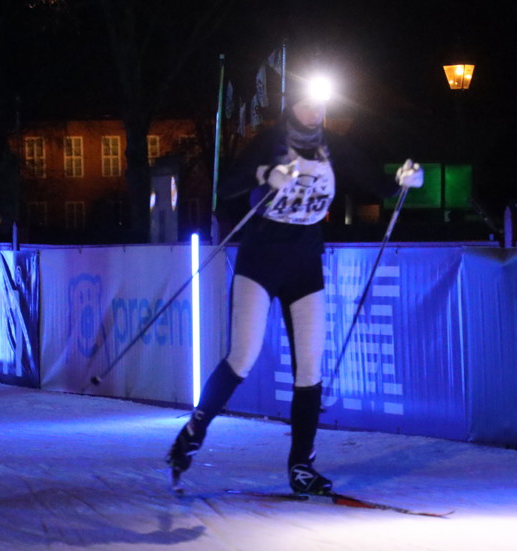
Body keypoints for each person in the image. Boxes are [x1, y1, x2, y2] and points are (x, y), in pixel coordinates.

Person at [167, 73, 423, 494]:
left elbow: (376, 184)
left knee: (310, 367)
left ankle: (301, 465)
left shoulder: (333, 146)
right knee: (243, 358)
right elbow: (226, 188)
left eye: (321, 104)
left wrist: (403, 180)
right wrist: (265, 174)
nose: (314, 112)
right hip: (260, 261)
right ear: (291, 106)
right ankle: (194, 430)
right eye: (307, 103)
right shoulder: (270, 140)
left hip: (305, 264)